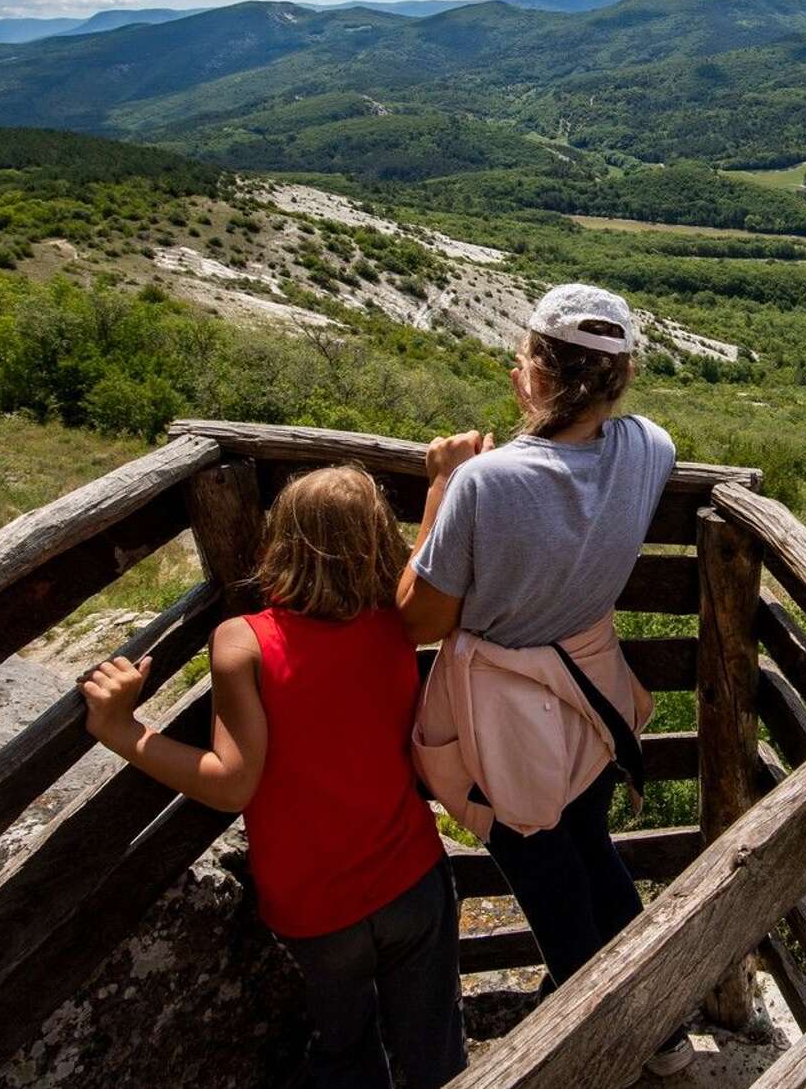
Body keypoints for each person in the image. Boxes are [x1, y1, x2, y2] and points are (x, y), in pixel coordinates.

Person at [82, 466, 464, 1089]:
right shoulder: (396, 623)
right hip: (413, 879)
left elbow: (232, 784)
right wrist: (441, 487)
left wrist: (121, 727)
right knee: (434, 1048)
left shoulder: (245, 643)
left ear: (280, 539)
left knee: (346, 1051)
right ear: (376, 543)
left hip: (317, 909)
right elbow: (420, 569)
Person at [397, 283, 693, 1078]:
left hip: (504, 717)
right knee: (592, 845)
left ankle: (590, 1041)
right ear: (620, 379)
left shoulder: (484, 483)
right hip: (591, 695)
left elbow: (419, 619)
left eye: (525, 359)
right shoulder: (649, 449)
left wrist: (437, 485)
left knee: (547, 877)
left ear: (533, 375)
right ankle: (663, 1028)